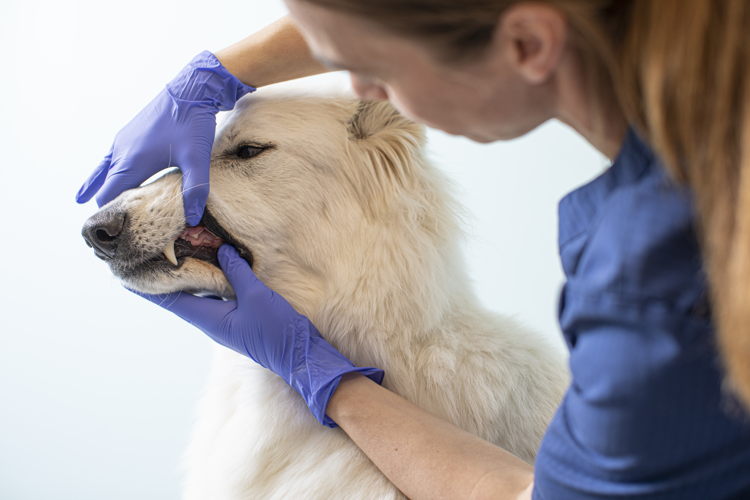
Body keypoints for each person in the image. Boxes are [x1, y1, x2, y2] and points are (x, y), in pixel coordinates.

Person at [76, 1, 750, 498]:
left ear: (527, 42)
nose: (365, 90)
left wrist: (329, 381)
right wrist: (220, 72)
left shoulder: (657, 284)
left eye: (373, 68)